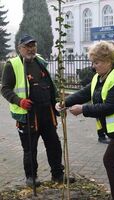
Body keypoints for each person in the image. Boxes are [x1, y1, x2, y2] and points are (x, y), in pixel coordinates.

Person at [55, 41, 114, 200]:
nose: (93, 66)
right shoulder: (101, 76)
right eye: (92, 62)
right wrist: (65, 102)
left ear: (108, 60)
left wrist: (83, 110)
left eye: (97, 62)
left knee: (110, 161)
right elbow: (86, 92)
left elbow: (111, 106)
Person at [0, 34, 72, 187]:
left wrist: (57, 103)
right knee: (30, 149)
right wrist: (19, 101)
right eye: (27, 46)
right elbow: (5, 89)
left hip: (47, 112)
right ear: (20, 48)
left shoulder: (40, 61)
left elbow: (50, 85)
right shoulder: (12, 64)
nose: (31, 49)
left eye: (33, 45)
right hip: (28, 115)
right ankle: (31, 177)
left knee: (54, 145)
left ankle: (57, 175)